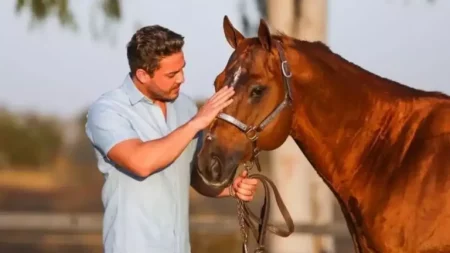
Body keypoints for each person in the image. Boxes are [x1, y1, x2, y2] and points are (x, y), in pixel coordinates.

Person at [84, 25, 259, 253]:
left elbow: (192, 176)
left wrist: (229, 189)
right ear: (142, 75)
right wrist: (197, 122)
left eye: (182, 69)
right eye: (171, 74)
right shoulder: (107, 111)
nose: (182, 79)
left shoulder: (185, 107)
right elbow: (141, 162)